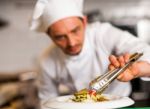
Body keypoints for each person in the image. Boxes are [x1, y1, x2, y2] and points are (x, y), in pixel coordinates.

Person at [30, 0, 150, 105]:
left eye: (75, 30)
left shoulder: (103, 34)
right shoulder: (46, 61)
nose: (71, 43)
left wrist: (138, 69)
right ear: (49, 35)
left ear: (85, 22)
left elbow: (142, 49)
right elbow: (47, 102)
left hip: (121, 105)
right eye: (60, 37)